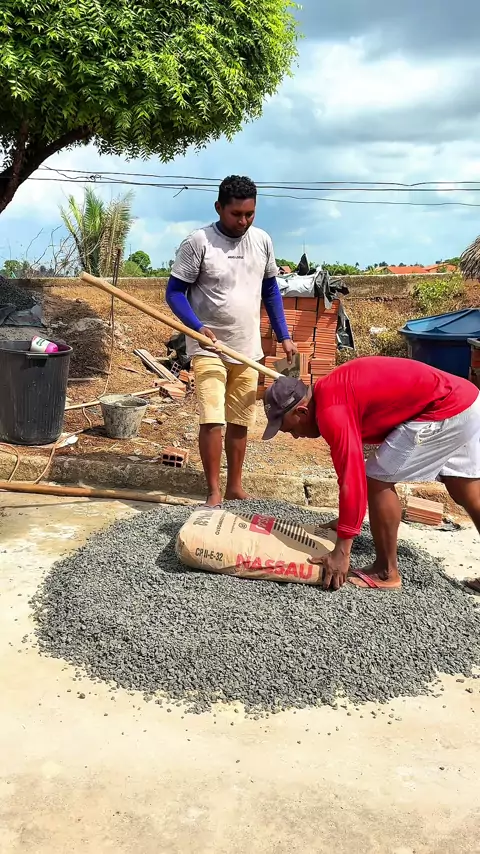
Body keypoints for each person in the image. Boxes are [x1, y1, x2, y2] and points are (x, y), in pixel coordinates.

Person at [262, 355, 480, 592]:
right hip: (467, 399)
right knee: (465, 488)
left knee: (376, 479)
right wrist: (347, 521)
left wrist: (342, 549)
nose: (295, 436)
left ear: (302, 411)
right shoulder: (330, 391)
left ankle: (386, 571)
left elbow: (352, 477)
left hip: (444, 407)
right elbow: (346, 470)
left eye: (290, 429)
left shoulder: (332, 411)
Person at [166, 175, 297, 507]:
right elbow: (174, 293)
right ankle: (213, 490)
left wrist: (284, 336)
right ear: (219, 208)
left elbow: (270, 291)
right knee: (213, 417)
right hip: (208, 347)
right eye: (236, 214)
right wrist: (197, 327)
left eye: (250, 214)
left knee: (240, 420)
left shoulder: (262, 241)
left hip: (247, 349)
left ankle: (234, 487)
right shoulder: (199, 242)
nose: (243, 221)